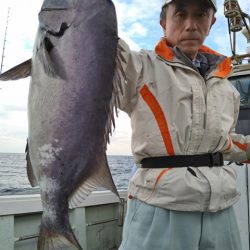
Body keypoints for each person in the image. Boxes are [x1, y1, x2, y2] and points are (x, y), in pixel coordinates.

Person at [117, 0, 250, 249]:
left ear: (211, 23)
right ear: (163, 23)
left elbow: (225, 142)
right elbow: (95, 47)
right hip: (160, 206)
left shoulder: (225, 87)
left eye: (201, 15)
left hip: (222, 208)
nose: (191, 25)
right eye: (180, 14)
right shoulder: (138, 66)